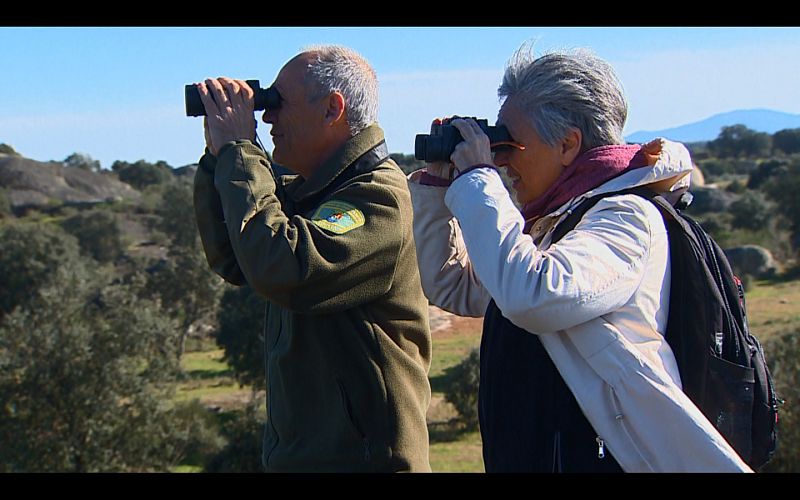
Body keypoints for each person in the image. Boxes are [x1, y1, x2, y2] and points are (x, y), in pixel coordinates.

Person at [408, 44, 751, 472]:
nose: (501, 160)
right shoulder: (553, 223)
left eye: (510, 145)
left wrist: (479, 180)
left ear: (568, 144)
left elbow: (534, 295)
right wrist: (438, 191)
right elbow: (454, 286)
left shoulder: (626, 217)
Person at [193, 45, 432, 472]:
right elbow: (236, 257)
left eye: (277, 103)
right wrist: (219, 158)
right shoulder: (309, 190)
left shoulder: (376, 197)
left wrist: (240, 150)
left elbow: (283, 267)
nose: (267, 118)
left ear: (331, 110)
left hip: (365, 462)